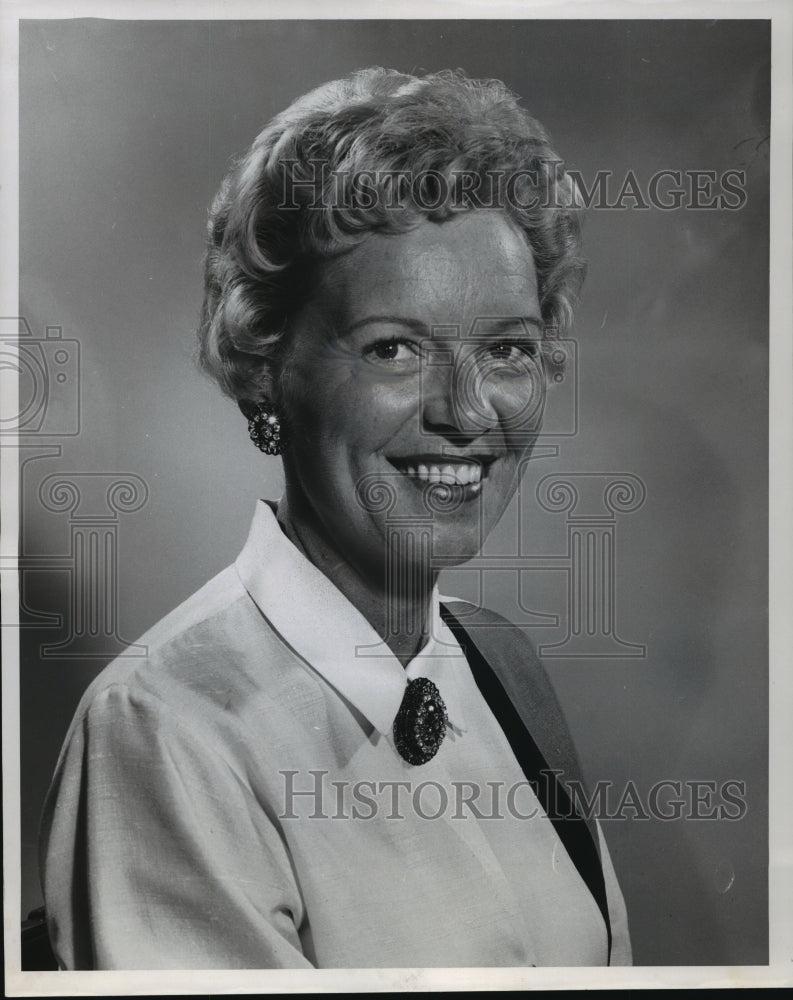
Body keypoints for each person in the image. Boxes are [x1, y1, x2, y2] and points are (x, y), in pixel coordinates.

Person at [39, 67, 632, 969]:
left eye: (506, 348)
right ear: (267, 366)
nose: (468, 414)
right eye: (393, 347)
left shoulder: (500, 667)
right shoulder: (164, 730)